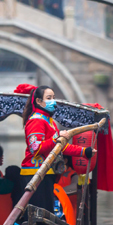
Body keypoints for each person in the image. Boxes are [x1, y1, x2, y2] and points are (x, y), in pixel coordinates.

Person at [17, 84, 95, 214]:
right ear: (39, 101)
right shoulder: (36, 121)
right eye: (49, 98)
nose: (53, 100)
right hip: (34, 173)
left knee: (46, 211)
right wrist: (56, 139)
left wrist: (83, 152)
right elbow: (36, 149)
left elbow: (60, 147)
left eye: (53, 97)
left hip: (46, 173)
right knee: (38, 213)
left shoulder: (49, 121)